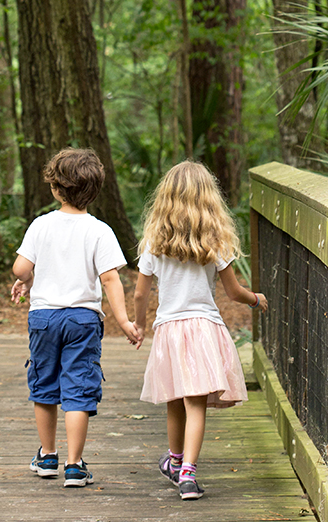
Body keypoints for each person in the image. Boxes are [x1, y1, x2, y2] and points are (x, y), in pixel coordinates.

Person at [133, 160, 268, 501]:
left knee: (175, 401)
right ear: (209, 200)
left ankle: (177, 462)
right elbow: (234, 292)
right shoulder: (215, 241)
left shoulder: (153, 242)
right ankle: (188, 473)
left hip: (169, 331)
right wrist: (255, 300)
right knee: (195, 404)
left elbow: (140, 292)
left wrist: (139, 323)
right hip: (203, 329)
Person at [11, 147, 141, 489]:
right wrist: (125, 321)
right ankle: (73, 466)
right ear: (95, 191)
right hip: (83, 320)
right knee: (78, 388)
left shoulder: (41, 225)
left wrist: (26, 278)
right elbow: (110, 278)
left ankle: (48, 456)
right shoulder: (99, 231)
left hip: (44, 319)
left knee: (44, 385)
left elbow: (21, 268)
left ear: (55, 189)